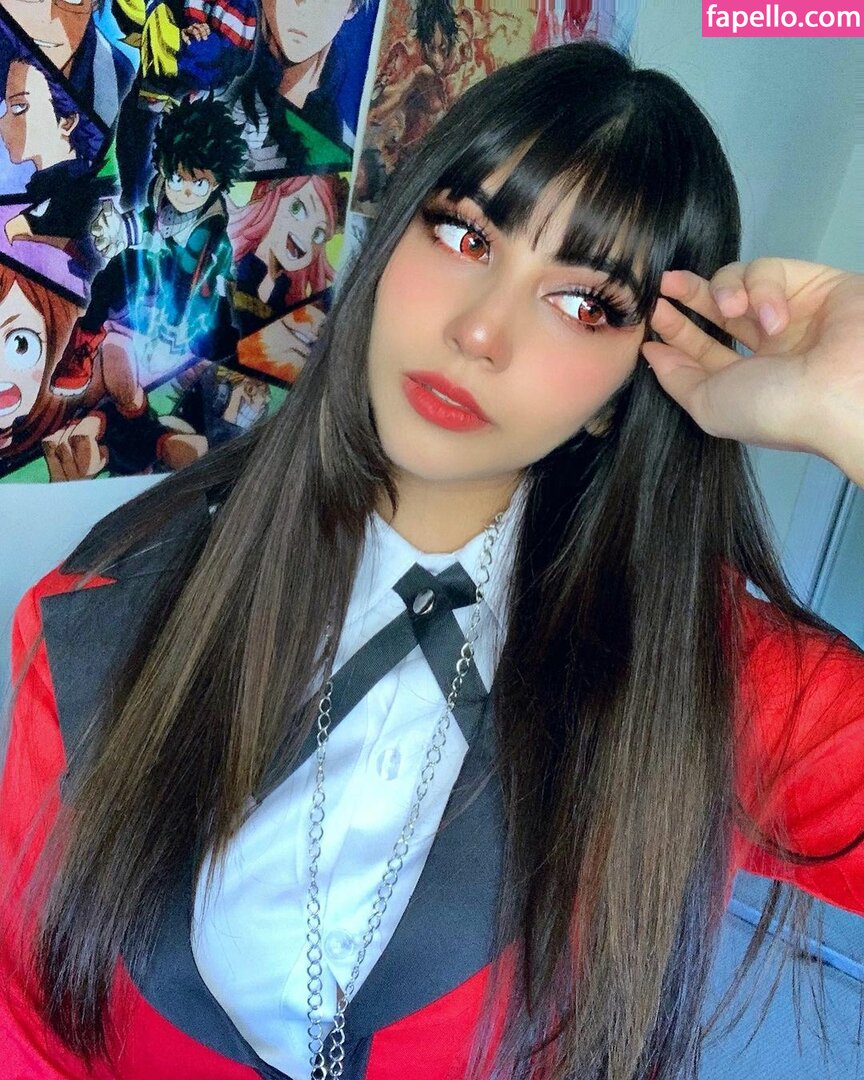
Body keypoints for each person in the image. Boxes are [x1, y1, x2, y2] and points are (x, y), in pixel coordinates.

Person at [2, 41, 864, 1080]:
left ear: (626, 391)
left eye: (584, 304)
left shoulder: (702, 676)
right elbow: (28, 1019)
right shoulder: (110, 602)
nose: (481, 330)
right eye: (463, 234)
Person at [227, 174, 343, 336]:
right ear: (270, 199)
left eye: (318, 234)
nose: (305, 236)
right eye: (297, 208)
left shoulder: (287, 290)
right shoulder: (234, 267)